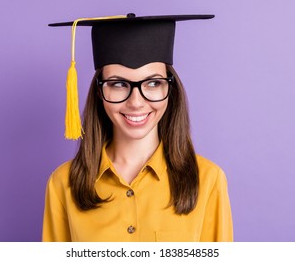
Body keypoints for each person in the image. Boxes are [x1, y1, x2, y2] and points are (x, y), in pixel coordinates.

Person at [42, 13, 233, 242]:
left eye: (153, 83)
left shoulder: (208, 179)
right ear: (99, 92)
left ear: (170, 90)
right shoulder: (63, 183)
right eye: (118, 84)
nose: (136, 102)